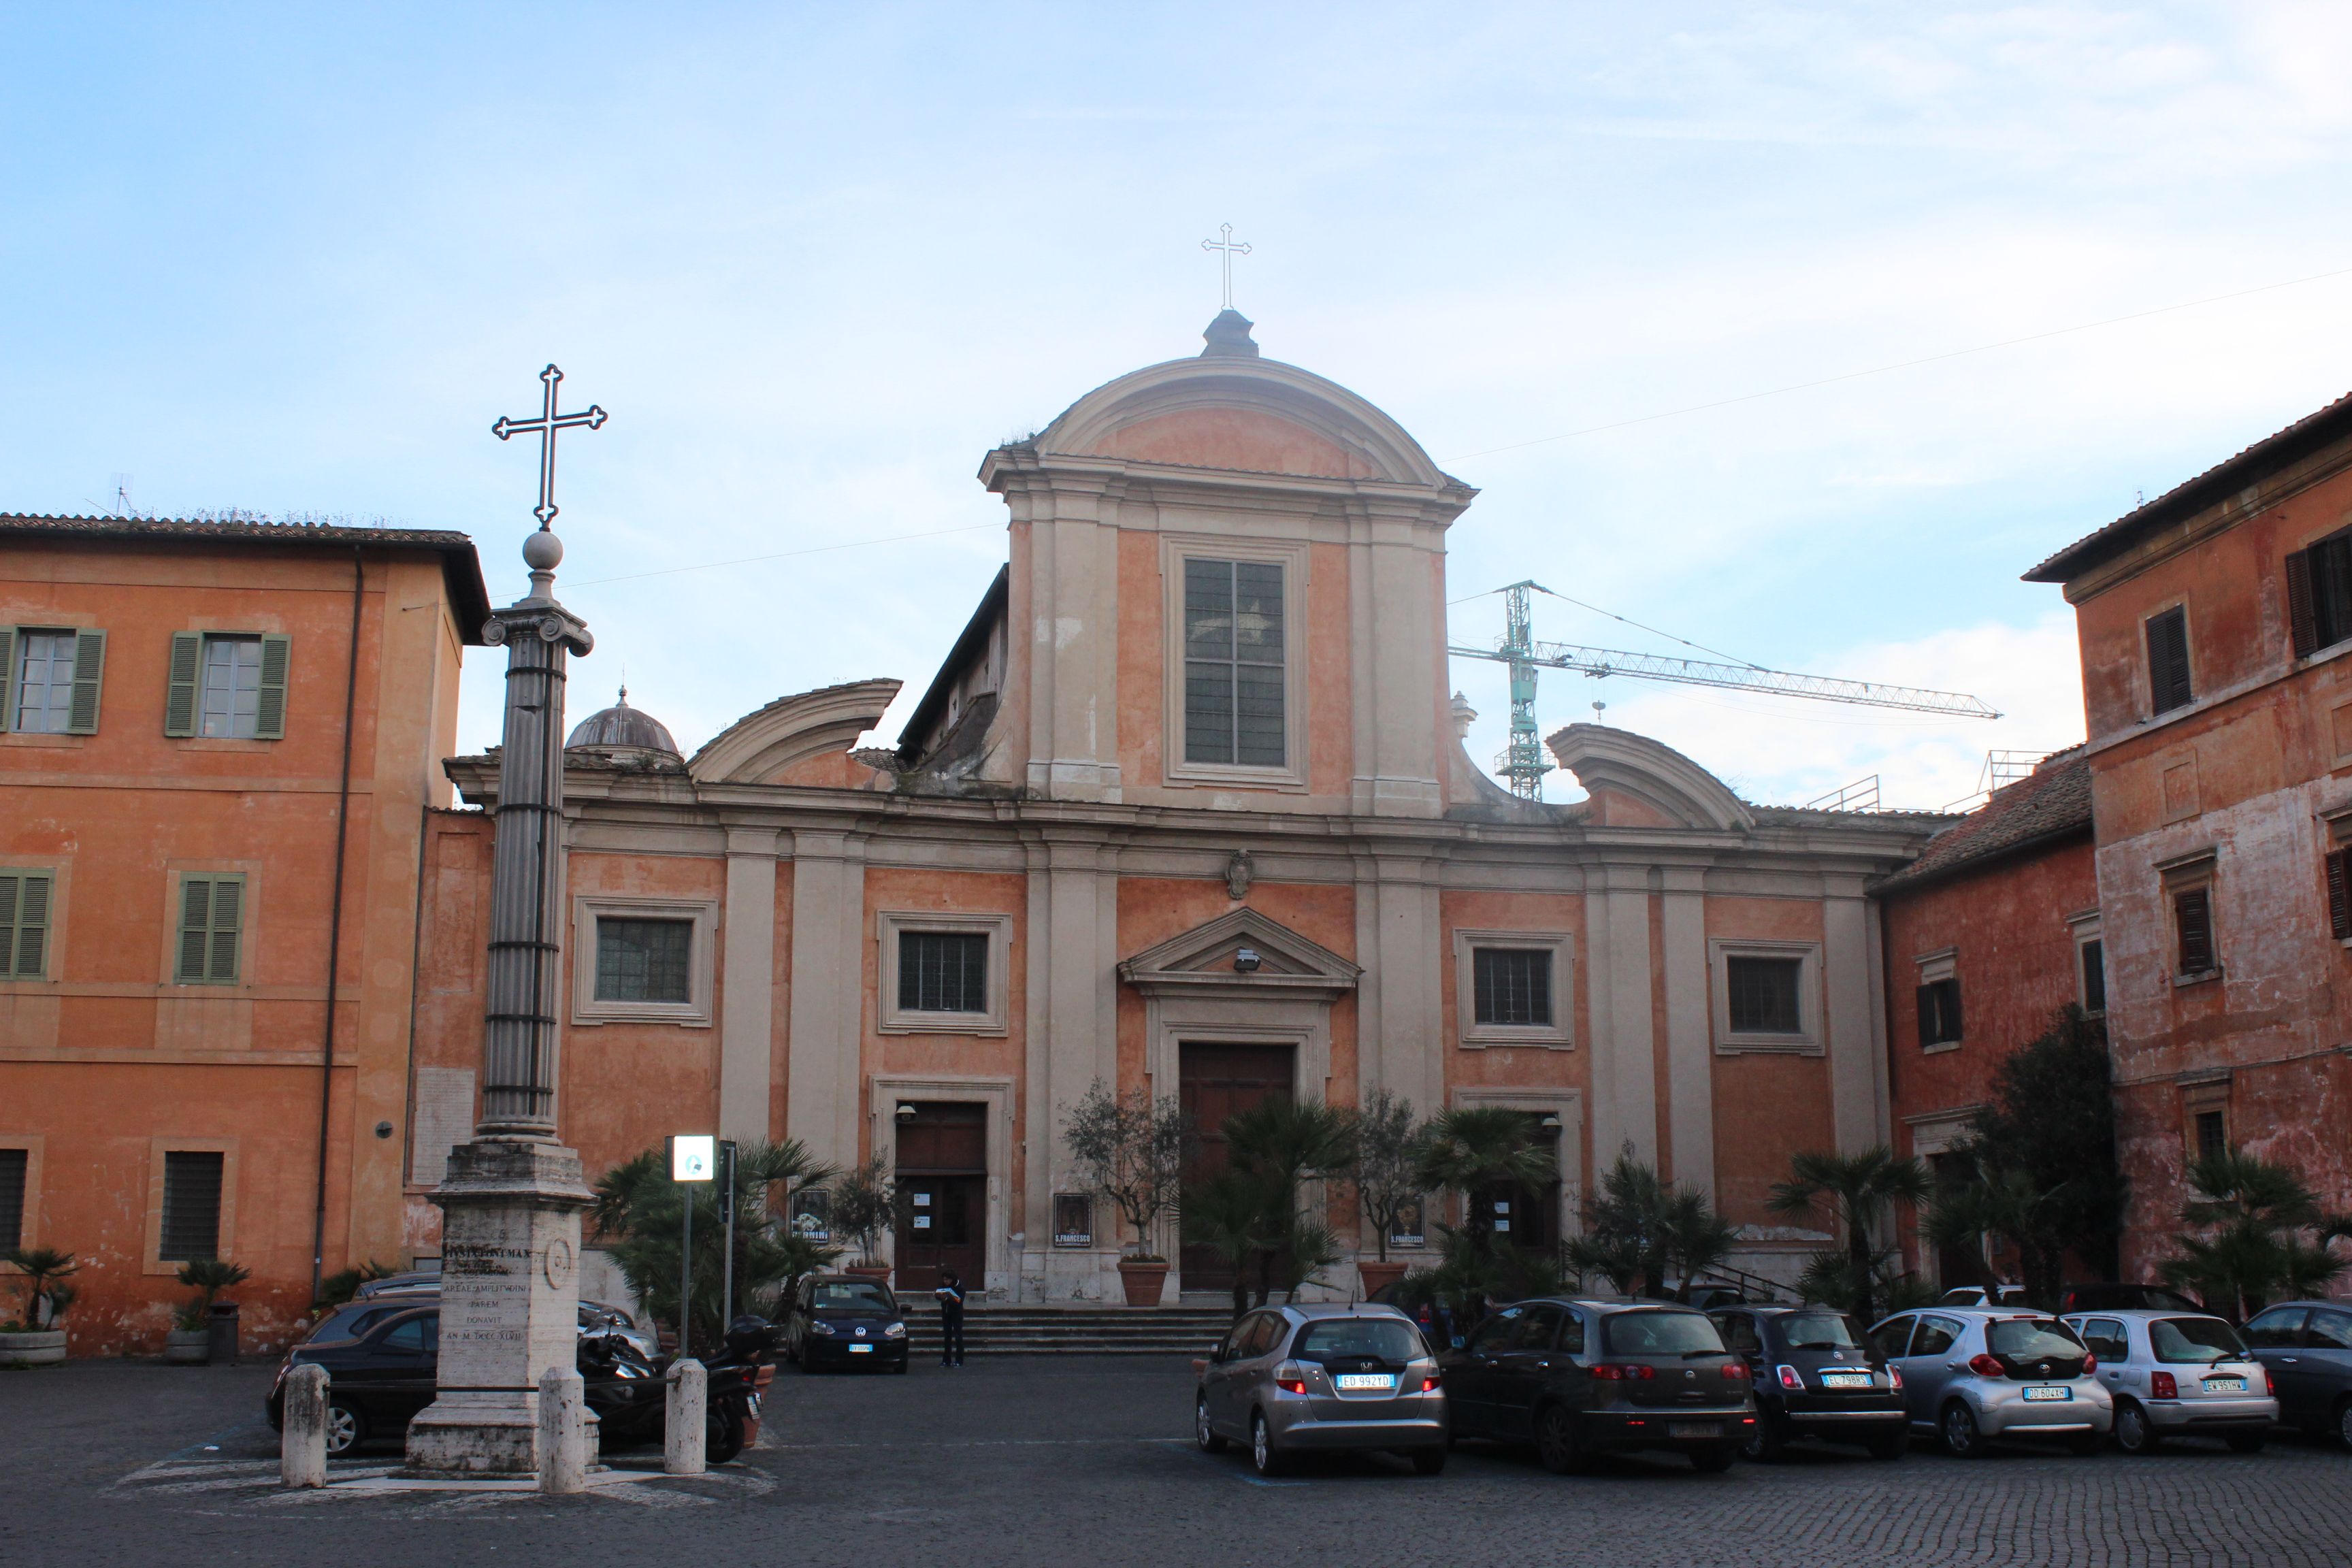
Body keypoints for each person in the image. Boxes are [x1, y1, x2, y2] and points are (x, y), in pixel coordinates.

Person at [934, 1270, 966, 1367]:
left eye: (947, 1280)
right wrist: (938, 1295)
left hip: (957, 1314)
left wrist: (948, 1299)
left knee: (958, 1337)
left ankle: (959, 1360)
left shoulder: (960, 1288)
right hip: (946, 1313)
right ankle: (946, 1360)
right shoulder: (944, 1286)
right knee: (947, 1337)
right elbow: (939, 1293)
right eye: (944, 1280)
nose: (945, 1282)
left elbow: (959, 1301)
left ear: (952, 1279)